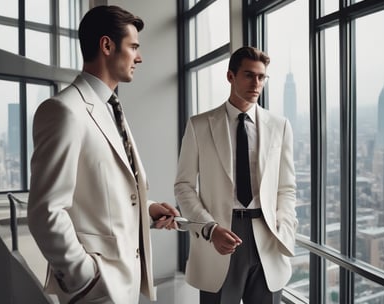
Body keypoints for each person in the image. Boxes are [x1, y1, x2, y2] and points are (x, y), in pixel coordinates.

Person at [28, 5, 179, 304]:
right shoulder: (64, 111)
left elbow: (101, 191)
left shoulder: (110, 108)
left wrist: (147, 209)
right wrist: (85, 278)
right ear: (107, 45)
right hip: (97, 290)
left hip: (125, 282)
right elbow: (45, 211)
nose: (139, 57)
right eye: (133, 46)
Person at [174, 46, 298, 304]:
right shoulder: (199, 125)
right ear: (230, 76)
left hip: (268, 237)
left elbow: (286, 187)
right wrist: (210, 228)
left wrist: (283, 228)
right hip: (220, 235)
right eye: (249, 75)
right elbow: (184, 186)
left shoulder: (280, 126)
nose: (257, 83)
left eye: (262, 77)